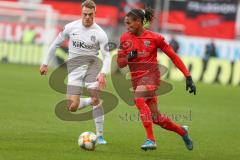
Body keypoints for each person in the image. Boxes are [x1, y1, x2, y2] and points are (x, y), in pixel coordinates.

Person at [117, 8, 196, 151]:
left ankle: (150, 139)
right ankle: (182, 132)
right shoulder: (124, 38)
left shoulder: (155, 38)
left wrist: (188, 76)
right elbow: (120, 63)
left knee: (139, 98)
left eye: (129, 23)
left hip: (151, 77)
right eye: (125, 24)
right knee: (156, 118)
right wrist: (129, 57)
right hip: (136, 80)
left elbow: (173, 56)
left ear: (139, 22)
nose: (127, 26)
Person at [39, 0, 110, 144]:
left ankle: (100, 135)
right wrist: (45, 63)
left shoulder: (100, 33)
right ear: (81, 12)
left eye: (90, 14)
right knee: (72, 107)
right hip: (74, 70)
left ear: (95, 13)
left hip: (92, 67)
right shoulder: (71, 27)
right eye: (85, 14)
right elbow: (55, 44)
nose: (87, 17)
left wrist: (103, 73)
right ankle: (91, 101)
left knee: (96, 96)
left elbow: (107, 56)